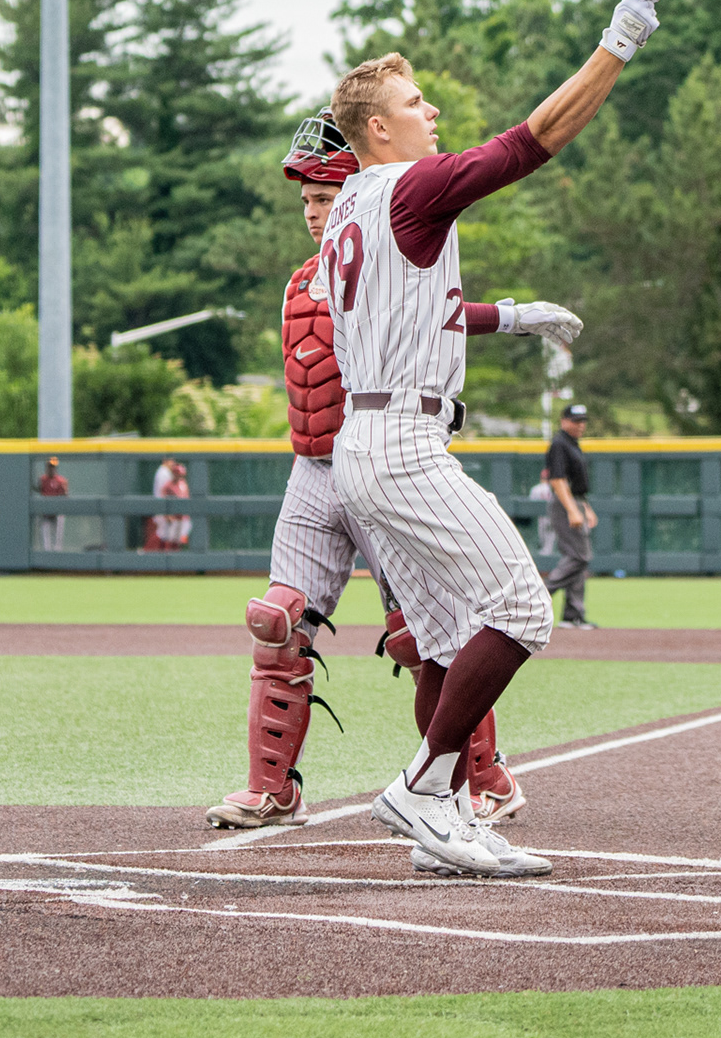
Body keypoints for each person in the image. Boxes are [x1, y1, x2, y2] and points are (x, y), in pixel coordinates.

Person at [320, 0, 653, 879]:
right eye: (414, 102)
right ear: (378, 130)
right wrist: (618, 41)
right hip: (401, 447)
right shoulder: (413, 183)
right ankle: (425, 788)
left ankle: (450, 819)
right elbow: (531, 142)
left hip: (367, 438)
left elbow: (416, 310)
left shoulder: (349, 206)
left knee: (437, 638)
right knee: (521, 608)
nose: (430, 110)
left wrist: (511, 314)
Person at [207, 110, 574, 833]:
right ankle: (271, 788)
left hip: (376, 455)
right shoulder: (301, 279)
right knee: (275, 621)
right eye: (305, 200)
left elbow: (432, 312)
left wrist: (512, 316)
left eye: (322, 195)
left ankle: (475, 778)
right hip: (313, 468)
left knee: (424, 631)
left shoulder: (382, 235)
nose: (313, 211)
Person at [544, 404, 598, 629]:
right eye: (576, 420)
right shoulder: (559, 443)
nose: (580, 425)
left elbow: (576, 483)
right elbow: (557, 479)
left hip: (574, 500)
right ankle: (539, 596)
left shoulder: (572, 444)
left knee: (576, 558)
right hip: (564, 503)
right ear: (564, 420)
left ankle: (572, 615)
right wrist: (572, 509)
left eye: (583, 420)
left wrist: (584, 506)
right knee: (580, 556)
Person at [36, 457, 69, 551]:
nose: (51, 468)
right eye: (50, 466)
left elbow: (66, 497)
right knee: (46, 542)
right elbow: (39, 492)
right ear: (46, 467)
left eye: (53, 467)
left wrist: (64, 491)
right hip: (46, 513)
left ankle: (57, 561)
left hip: (57, 513)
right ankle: (46, 561)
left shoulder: (61, 480)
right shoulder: (42, 479)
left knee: (58, 542)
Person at [528, 469, 559, 557]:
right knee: (551, 543)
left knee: (542, 541)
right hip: (553, 518)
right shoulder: (556, 489)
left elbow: (530, 506)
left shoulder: (535, 489)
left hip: (540, 519)